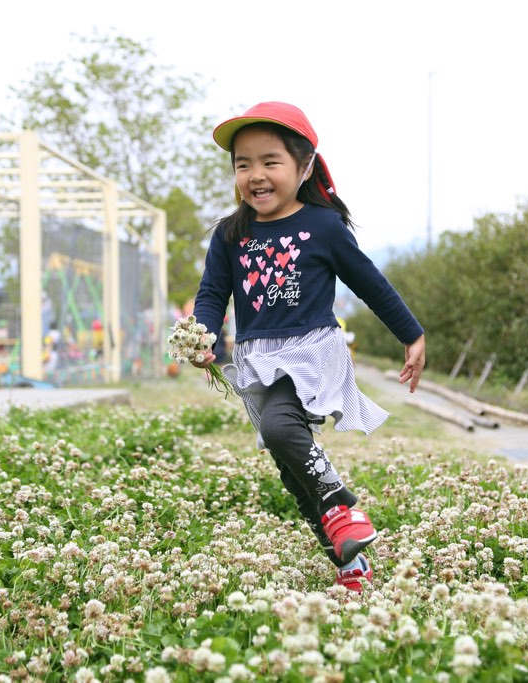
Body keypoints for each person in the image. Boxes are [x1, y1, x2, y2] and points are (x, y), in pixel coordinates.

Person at [191, 102, 426, 594]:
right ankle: (349, 562)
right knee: (292, 473)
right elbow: (213, 294)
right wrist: (204, 334)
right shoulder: (230, 234)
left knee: (280, 428)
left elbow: (370, 283)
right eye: (243, 164)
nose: (256, 174)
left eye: (270, 161)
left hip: (311, 353)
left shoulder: (323, 226)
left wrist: (411, 333)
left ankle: (341, 503)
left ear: (304, 167)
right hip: (258, 357)